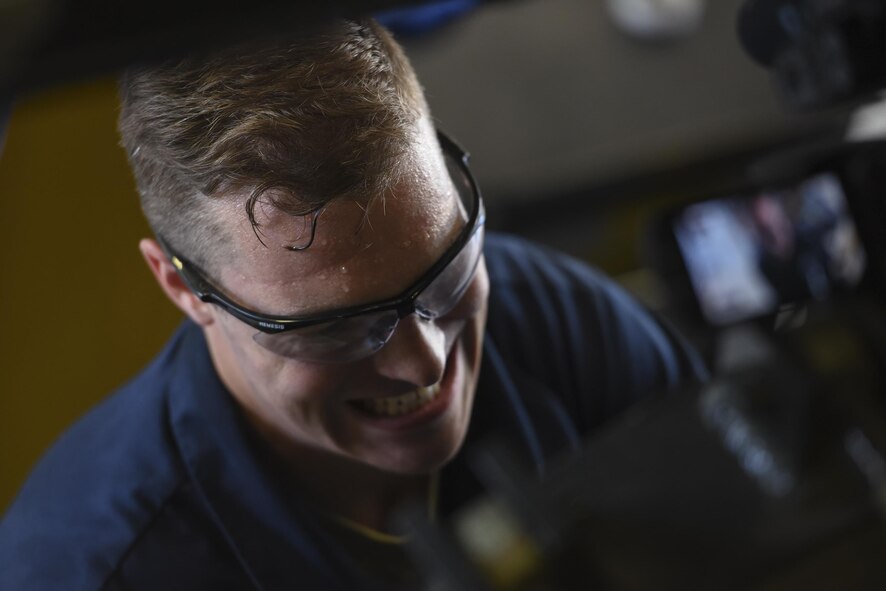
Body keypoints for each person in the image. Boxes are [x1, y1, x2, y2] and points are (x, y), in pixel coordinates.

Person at [0, 18, 705, 590]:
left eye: (443, 268)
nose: (424, 359)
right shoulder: (90, 568)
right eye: (334, 326)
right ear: (184, 289)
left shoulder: (554, 317)